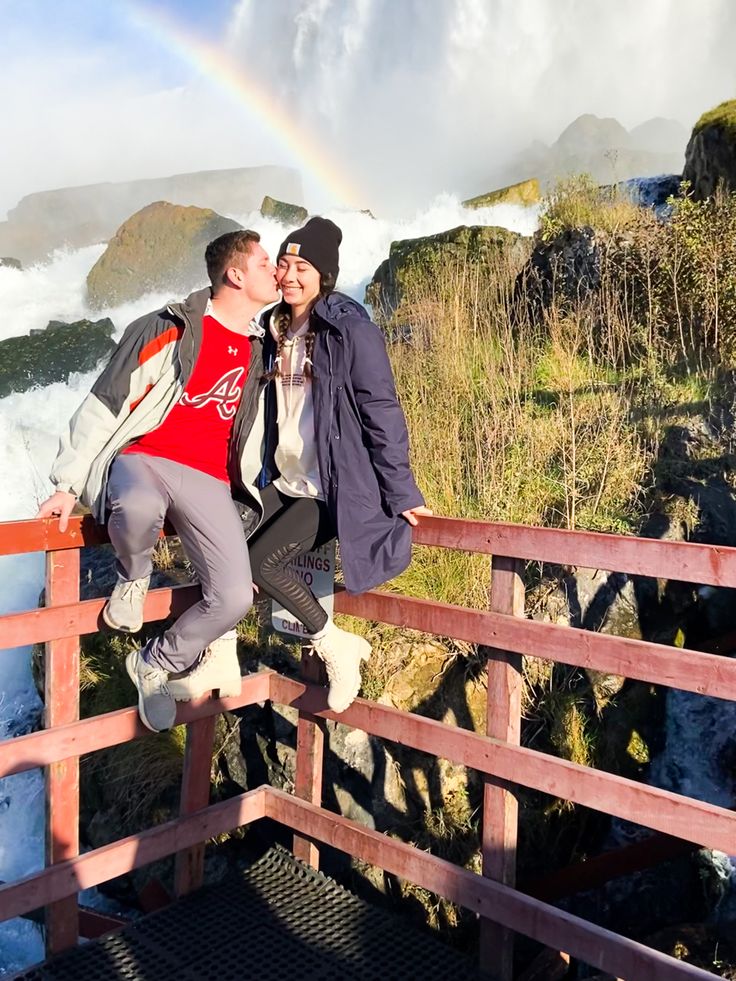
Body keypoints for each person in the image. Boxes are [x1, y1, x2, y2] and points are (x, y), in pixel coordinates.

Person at [36, 230, 279, 732]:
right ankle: (133, 577)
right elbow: (106, 401)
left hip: (210, 478)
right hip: (145, 457)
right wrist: (67, 482)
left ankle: (155, 663)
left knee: (235, 596)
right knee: (139, 506)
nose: (274, 269)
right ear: (235, 274)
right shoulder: (170, 327)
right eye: (263, 261)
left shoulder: (262, 350)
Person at [247, 216, 431, 713]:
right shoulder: (272, 329)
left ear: (323, 274)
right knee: (221, 537)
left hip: (330, 486)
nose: (289, 275)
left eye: (302, 266)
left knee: (261, 563)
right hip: (284, 480)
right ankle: (216, 651)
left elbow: (381, 410)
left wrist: (402, 490)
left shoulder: (350, 330)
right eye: (283, 263)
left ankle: (336, 647)